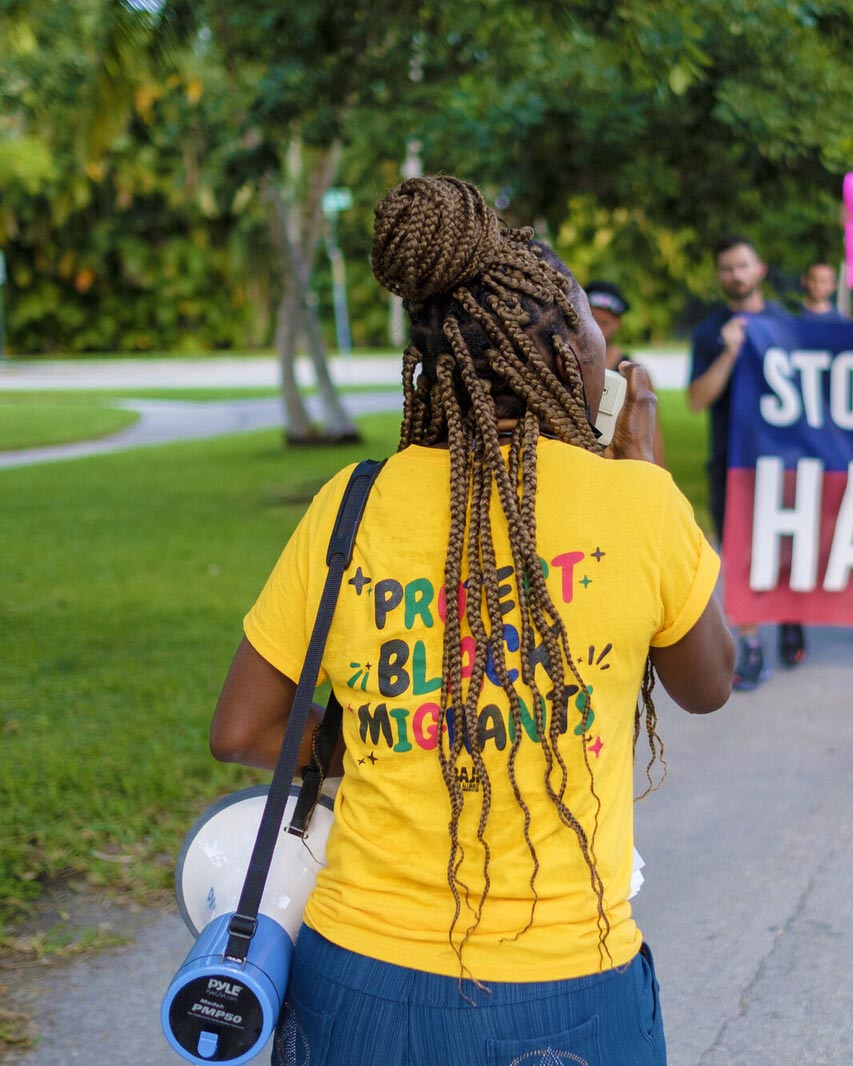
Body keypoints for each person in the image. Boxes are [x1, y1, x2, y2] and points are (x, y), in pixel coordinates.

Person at [211, 176, 735, 1066]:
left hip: (357, 980)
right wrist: (645, 468)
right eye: (590, 322)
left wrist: (396, 735)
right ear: (571, 350)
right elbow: (709, 684)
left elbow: (243, 729)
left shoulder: (353, 502)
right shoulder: (639, 505)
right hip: (564, 989)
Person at [687, 236, 804, 688]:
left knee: (789, 546)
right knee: (738, 553)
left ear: (760, 270)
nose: (735, 275)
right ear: (720, 277)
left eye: (742, 266)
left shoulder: (786, 324)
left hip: (787, 458)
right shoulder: (709, 332)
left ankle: (792, 616)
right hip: (732, 462)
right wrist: (731, 352)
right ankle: (751, 646)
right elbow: (697, 400)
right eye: (727, 268)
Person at [586, 280, 666, 467]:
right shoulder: (563, 363)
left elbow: (651, 434)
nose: (600, 321)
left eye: (607, 319)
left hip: (619, 465)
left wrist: (658, 476)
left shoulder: (635, 374)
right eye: (593, 315)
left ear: (618, 322)